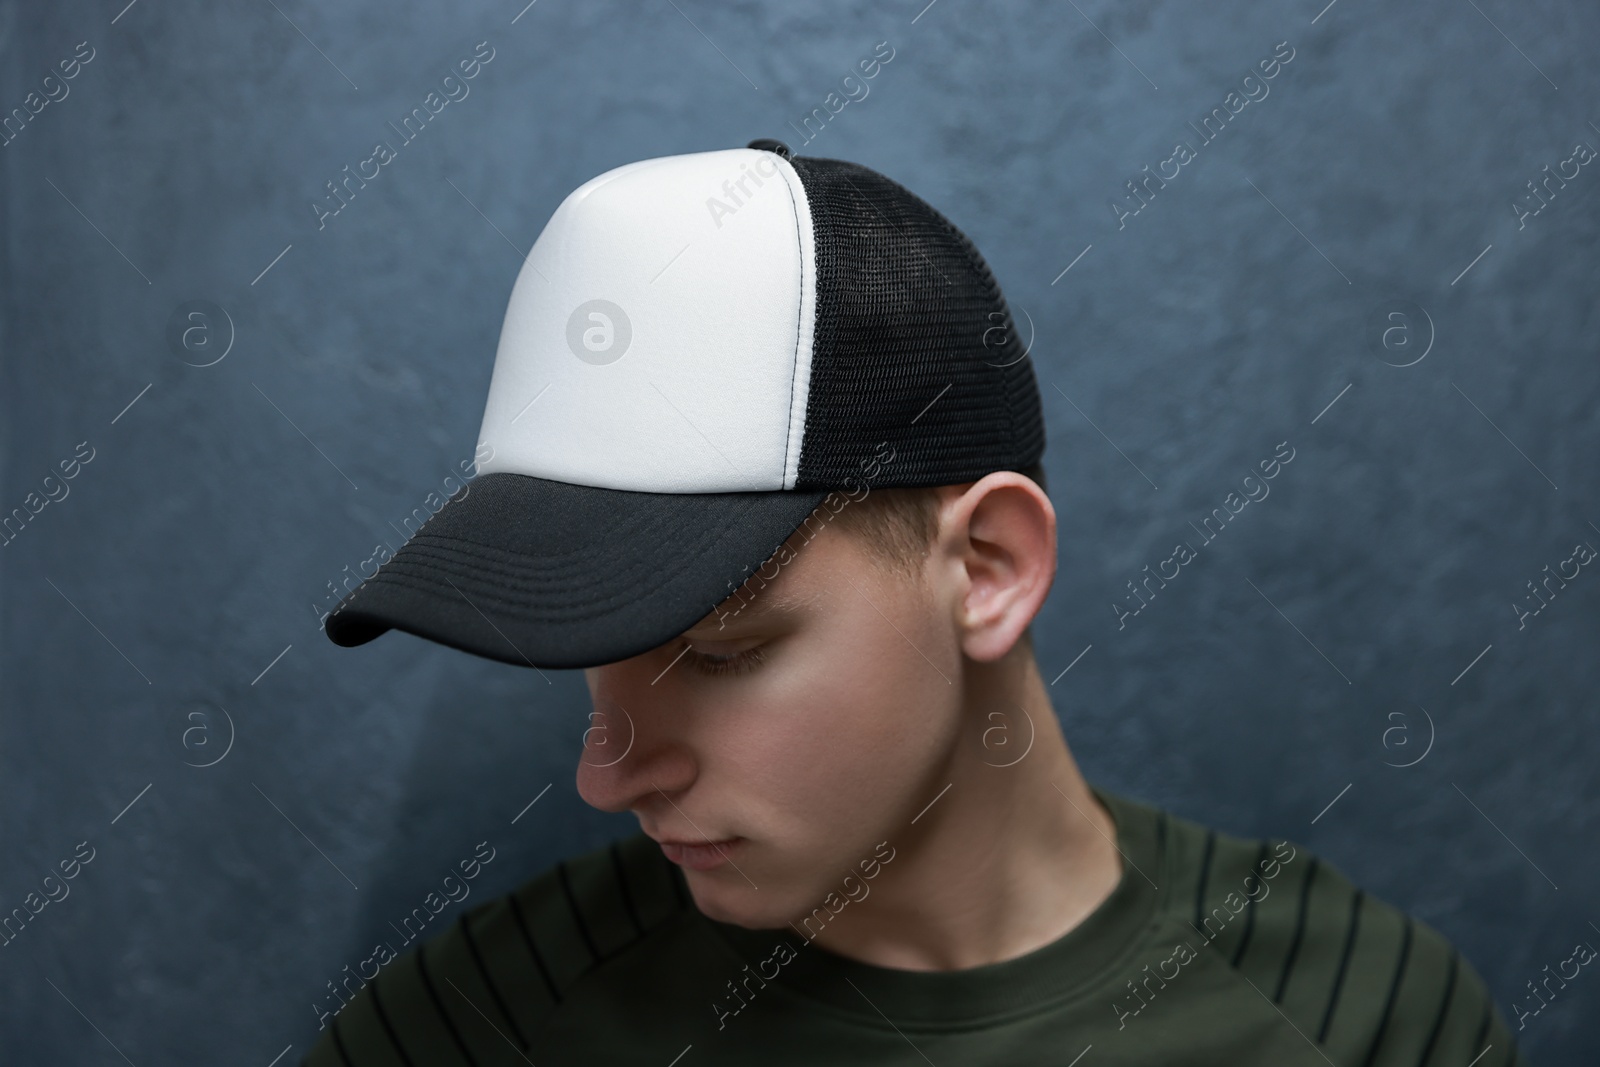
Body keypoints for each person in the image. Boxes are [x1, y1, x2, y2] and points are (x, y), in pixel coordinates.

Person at [307, 141, 1526, 1065]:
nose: (608, 774)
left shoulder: (1360, 1020)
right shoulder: (473, 1030)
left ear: (987, 566)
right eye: (597, 636)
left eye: (725, 648)